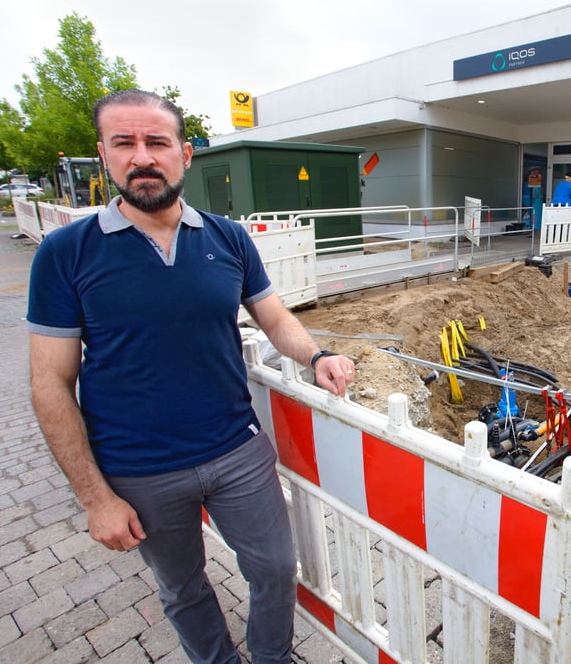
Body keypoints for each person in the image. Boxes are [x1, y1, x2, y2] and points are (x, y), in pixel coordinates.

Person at [27, 88, 356, 663]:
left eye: (157, 142)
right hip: (138, 469)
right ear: (103, 153)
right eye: (124, 143)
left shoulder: (228, 238)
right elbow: (50, 383)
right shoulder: (65, 253)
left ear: (186, 153)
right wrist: (95, 498)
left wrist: (317, 355)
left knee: (277, 571)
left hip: (236, 450)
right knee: (183, 589)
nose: (142, 157)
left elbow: (275, 317)